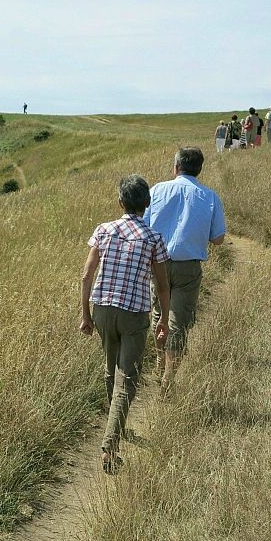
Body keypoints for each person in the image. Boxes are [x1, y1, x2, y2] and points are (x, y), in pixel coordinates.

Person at [80, 175, 170, 474]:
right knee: (127, 376)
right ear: (148, 203)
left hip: (103, 308)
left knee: (111, 368)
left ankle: (113, 422)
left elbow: (87, 275)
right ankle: (110, 444)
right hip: (134, 313)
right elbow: (162, 285)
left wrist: (85, 315)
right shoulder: (154, 238)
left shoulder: (104, 230)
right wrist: (164, 318)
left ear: (120, 203)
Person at [143, 147, 226, 389]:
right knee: (179, 323)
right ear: (199, 169)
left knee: (159, 314)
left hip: (157, 263)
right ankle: (169, 378)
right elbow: (218, 238)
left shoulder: (157, 190)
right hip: (188, 267)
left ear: (176, 167)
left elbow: (143, 226)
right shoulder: (210, 197)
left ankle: (160, 361)